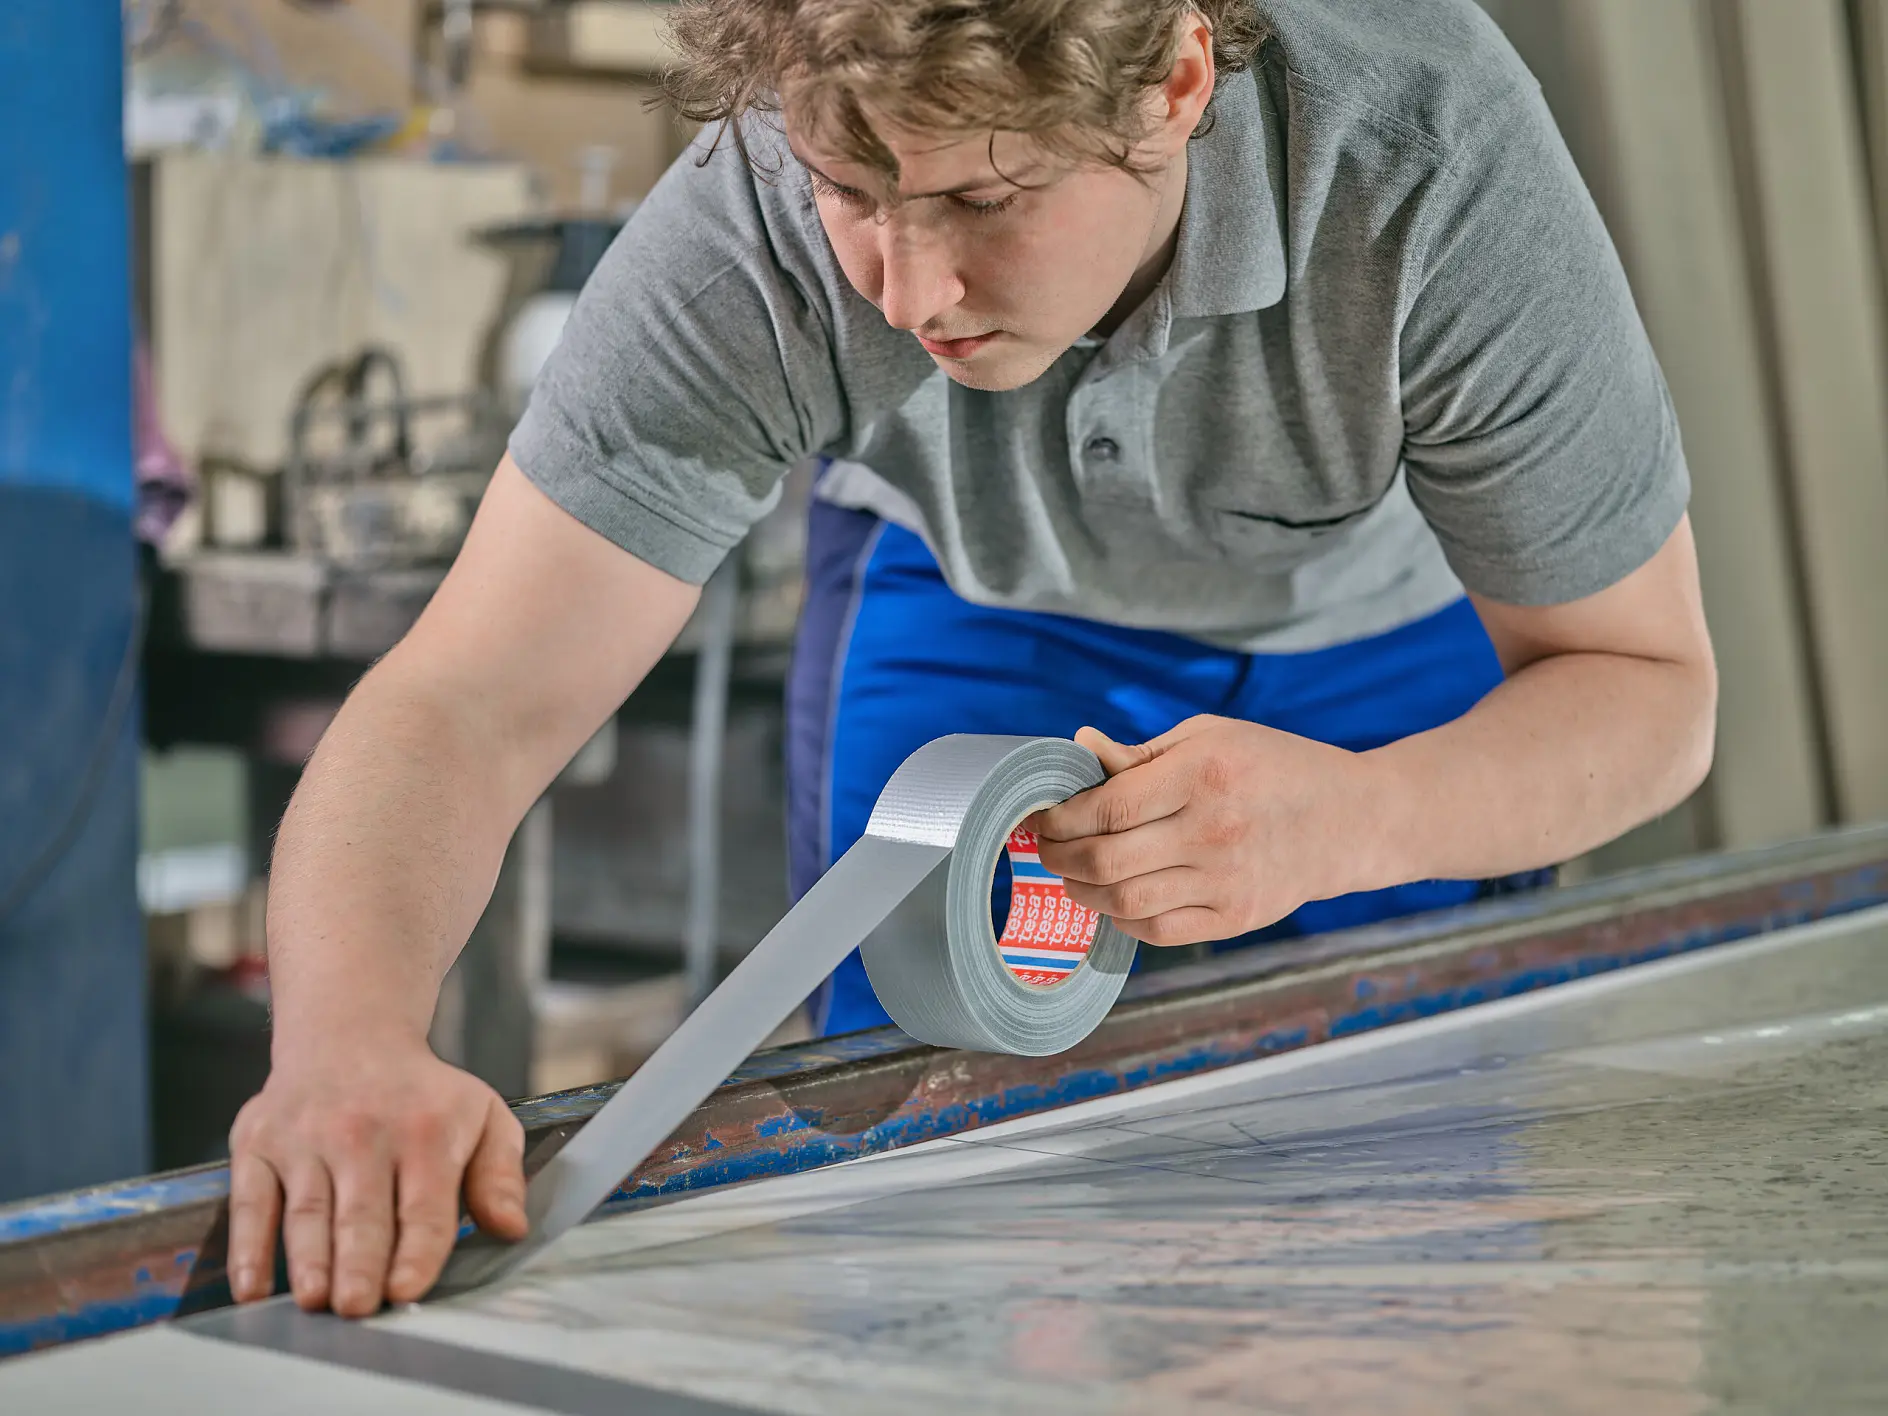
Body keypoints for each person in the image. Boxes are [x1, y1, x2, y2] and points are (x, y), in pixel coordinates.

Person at [227, 0, 1718, 1317]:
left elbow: (1649, 692)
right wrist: (346, 1044)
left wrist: (1354, 819)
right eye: (852, 191)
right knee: (926, 1245)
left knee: (1397, 1236)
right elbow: (465, 701)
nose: (907, 289)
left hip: (1379, 662)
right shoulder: (751, 214)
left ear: (1177, 82)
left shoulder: (1427, 149)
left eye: (985, 199)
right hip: (977, 608)